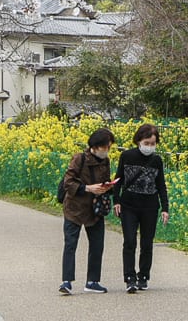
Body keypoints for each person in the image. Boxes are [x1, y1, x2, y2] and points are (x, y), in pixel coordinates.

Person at [113, 123, 170, 293]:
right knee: (129, 241)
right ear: (139, 141)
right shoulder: (127, 156)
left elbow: (161, 185)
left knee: (147, 243)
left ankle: (143, 276)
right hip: (129, 205)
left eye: (153, 144)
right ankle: (129, 277)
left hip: (150, 207)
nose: (149, 147)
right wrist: (116, 201)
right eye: (147, 143)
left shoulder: (157, 160)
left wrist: (165, 208)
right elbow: (118, 180)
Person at [59, 127, 116, 295]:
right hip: (74, 208)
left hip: (95, 209)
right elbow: (68, 183)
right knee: (71, 244)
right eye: (105, 147)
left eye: (109, 148)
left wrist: (108, 186)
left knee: (97, 245)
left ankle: (93, 281)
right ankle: (66, 282)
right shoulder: (79, 158)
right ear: (95, 146)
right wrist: (89, 188)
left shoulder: (105, 161)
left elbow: (104, 180)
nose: (107, 151)